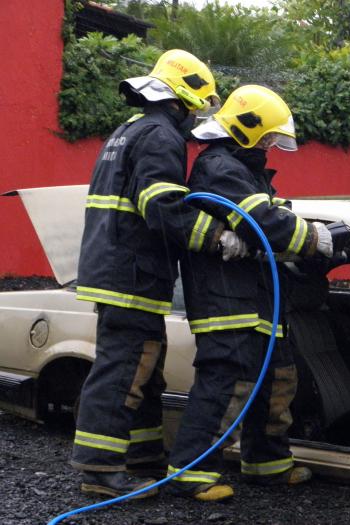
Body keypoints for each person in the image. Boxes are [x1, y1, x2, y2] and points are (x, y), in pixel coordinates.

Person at [71, 49, 246, 499]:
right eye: (196, 108)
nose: (195, 119)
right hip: (132, 272)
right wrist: (217, 237)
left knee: (144, 369)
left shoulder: (131, 129)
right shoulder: (161, 136)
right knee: (125, 370)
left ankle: (142, 459)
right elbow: (161, 206)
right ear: (184, 99)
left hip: (118, 267)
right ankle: (99, 470)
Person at [166, 85, 333, 501]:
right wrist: (314, 238)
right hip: (225, 299)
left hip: (259, 297)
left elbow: (265, 220)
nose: (271, 146)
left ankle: (267, 465)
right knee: (225, 382)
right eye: (267, 138)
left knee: (277, 380)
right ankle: (190, 471)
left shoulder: (245, 168)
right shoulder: (219, 167)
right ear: (246, 131)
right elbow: (261, 218)